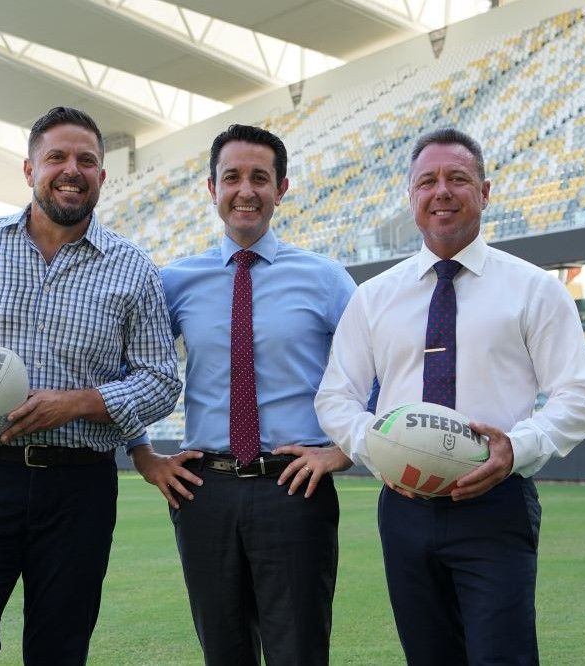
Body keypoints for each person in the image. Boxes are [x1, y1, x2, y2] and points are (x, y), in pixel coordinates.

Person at [0, 106, 181, 666]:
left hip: (79, 490)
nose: (71, 169)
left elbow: (161, 381)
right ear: (29, 170)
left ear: (102, 175)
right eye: (56, 157)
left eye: (86, 160)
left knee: (59, 651)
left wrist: (76, 404)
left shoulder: (135, 268)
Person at [315, 128, 585, 664]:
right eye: (427, 181)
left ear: (485, 191)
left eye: (457, 178)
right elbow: (336, 397)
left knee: (503, 656)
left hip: (496, 503)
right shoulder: (375, 296)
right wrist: (378, 449)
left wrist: (516, 447)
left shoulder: (534, 288)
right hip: (403, 507)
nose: (441, 191)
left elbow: (577, 395)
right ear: (411, 197)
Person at [130, 124, 357, 665]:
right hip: (203, 492)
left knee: (299, 652)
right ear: (212, 188)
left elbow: (381, 368)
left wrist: (345, 450)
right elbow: (126, 368)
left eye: (261, 177)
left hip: (293, 487)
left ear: (282, 188)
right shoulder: (175, 281)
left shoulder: (325, 279)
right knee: (223, 654)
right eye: (231, 177)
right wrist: (143, 457)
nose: (246, 190)